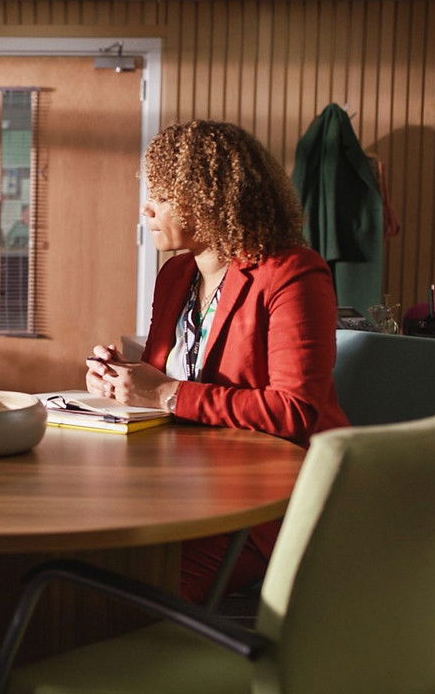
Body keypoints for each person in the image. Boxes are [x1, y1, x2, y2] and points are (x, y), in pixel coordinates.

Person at [84, 120, 350, 603]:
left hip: (264, 496)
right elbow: (166, 381)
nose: (146, 209)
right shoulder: (176, 274)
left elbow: (293, 411)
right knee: (87, 544)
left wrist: (164, 393)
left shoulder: (291, 273)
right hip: (183, 476)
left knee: (130, 588)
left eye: (163, 196)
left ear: (210, 200)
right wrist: (121, 380)